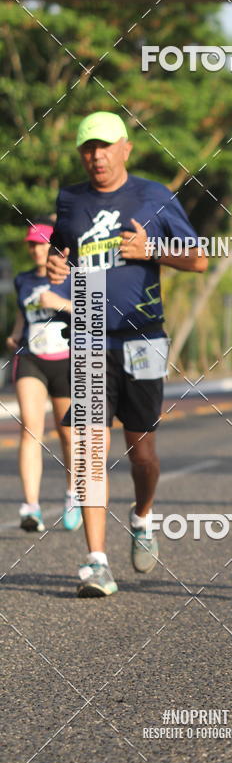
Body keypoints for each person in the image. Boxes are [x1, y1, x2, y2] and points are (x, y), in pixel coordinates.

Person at [47, 111, 207, 597]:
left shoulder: (153, 195)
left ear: (124, 148)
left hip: (143, 340)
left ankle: (142, 517)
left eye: (103, 146)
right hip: (91, 335)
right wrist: (57, 265)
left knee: (142, 451)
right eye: (87, 149)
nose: (95, 156)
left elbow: (198, 259)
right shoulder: (70, 199)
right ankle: (96, 562)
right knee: (92, 449)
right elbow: (62, 252)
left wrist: (151, 249)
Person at [7, 223, 81, 533]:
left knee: (67, 434)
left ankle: (73, 495)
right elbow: (23, 312)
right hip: (31, 359)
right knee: (30, 429)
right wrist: (14, 334)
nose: (36, 250)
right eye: (31, 245)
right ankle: (31, 507)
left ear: (52, 247)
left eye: (41, 244)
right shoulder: (23, 280)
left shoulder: (71, 276)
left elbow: (95, 312)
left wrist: (60, 304)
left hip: (65, 361)